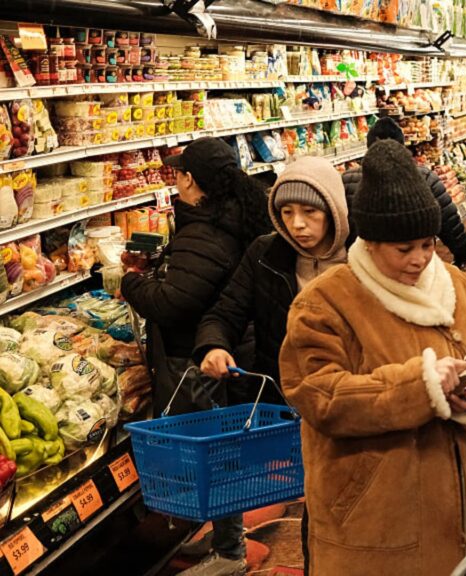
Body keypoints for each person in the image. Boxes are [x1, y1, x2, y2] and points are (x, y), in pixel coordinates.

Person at [279, 140, 466, 576]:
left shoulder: (462, 288)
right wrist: (420, 386)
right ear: (370, 242)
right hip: (376, 520)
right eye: (404, 249)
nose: (420, 259)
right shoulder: (325, 303)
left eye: (427, 244)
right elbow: (319, 395)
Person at [120, 137, 272, 576]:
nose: (175, 181)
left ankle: (229, 553)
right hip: (226, 352)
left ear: (191, 180)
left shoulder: (206, 232)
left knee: (217, 455)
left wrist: (130, 282)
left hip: (201, 360)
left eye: (178, 173)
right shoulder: (234, 215)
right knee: (224, 450)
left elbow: (173, 303)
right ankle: (226, 535)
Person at [190, 155, 348, 575]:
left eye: (310, 212)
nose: (297, 224)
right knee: (300, 490)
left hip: (346, 402)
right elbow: (224, 312)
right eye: (287, 212)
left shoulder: (362, 259)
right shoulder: (265, 254)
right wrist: (213, 346)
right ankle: (236, 552)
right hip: (282, 398)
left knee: (335, 505)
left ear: (334, 210)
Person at [342, 117, 466, 267]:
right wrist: (464, 253)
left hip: (362, 264)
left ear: (368, 146)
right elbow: (449, 222)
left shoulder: (347, 179)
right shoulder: (425, 177)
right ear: (402, 146)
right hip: (411, 265)